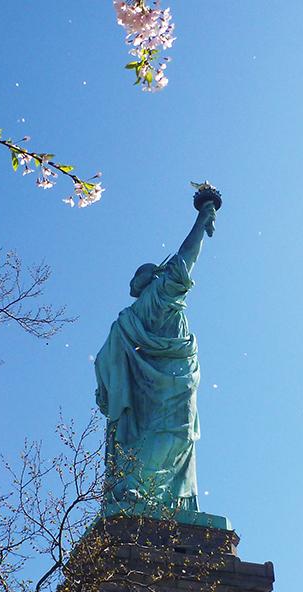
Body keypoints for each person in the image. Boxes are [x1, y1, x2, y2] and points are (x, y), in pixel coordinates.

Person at [95, 199, 217, 512]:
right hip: (173, 382)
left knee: (157, 436)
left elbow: (102, 362)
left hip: (154, 389)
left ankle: (140, 488)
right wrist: (201, 221)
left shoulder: (126, 319)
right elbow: (186, 258)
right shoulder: (157, 298)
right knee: (174, 436)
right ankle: (142, 489)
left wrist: (108, 391)